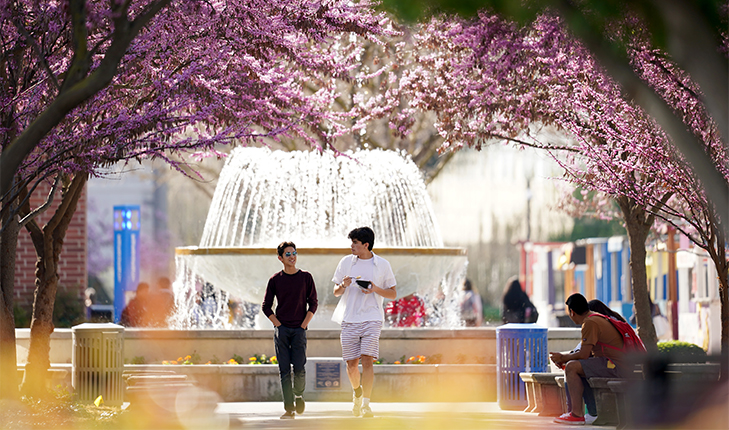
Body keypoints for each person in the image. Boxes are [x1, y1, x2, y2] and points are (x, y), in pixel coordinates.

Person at [331, 227, 397, 418]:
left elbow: (393, 294)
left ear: (366, 245)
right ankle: (357, 392)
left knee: (367, 360)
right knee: (351, 364)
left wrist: (375, 288)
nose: (351, 246)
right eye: (351, 242)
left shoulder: (382, 265)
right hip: (349, 318)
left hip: (372, 318)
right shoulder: (346, 262)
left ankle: (366, 404)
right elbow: (336, 292)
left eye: (355, 243)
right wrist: (343, 284)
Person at [550, 293, 628, 425]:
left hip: (615, 365)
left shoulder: (590, 322)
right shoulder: (596, 318)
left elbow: (583, 354)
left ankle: (576, 414)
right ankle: (589, 412)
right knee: (575, 366)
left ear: (572, 312)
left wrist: (563, 357)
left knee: (571, 367)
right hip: (616, 364)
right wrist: (566, 359)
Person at [261, 241, 318, 419]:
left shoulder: (306, 277)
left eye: (294, 253)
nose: (292, 256)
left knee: (299, 368)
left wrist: (303, 325)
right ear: (280, 258)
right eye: (288, 254)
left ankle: (299, 395)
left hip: (299, 330)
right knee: (284, 370)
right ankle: (288, 408)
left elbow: (314, 303)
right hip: (282, 331)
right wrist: (278, 325)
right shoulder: (275, 280)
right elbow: (266, 306)